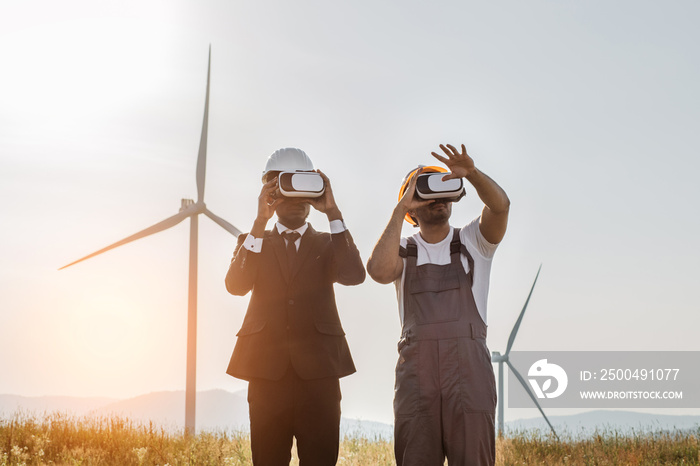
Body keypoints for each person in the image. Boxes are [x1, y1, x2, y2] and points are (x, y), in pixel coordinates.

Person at [366, 143, 510, 466]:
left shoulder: (474, 242)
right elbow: (376, 269)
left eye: (443, 191)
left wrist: (471, 174)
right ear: (412, 211)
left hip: (469, 375)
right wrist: (400, 207)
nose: (437, 200)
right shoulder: (402, 250)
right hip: (418, 379)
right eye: (427, 194)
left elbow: (500, 207)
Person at [225, 147, 365, 465]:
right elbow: (236, 285)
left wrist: (333, 213)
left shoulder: (331, 243)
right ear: (270, 194)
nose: (296, 202)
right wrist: (260, 221)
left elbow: (354, 275)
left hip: (320, 377)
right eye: (285, 193)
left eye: (303, 194)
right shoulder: (253, 241)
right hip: (266, 374)